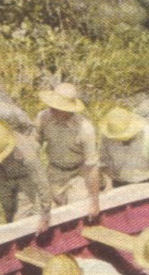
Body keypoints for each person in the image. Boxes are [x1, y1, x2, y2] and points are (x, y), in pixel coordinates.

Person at [34, 83, 101, 219]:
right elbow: (34, 147)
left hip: (78, 175)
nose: (52, 109)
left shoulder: (85, 129)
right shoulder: (43, 118)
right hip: (53, 171)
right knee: (45, 214)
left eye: (57, 107)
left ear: (69, 109)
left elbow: (91, 167)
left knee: (77, 213)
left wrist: (94, 201)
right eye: (51, 105)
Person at [0, 119, 52, 234]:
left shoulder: (25, 150)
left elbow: (41, 180)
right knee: (9, 212)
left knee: (21, 216)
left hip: (24, 177)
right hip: (1, 173)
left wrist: (46, 213)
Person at [99, 107, 149, 198]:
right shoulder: (107, 136)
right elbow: (103, 162)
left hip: (148, 182)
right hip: (119, 184)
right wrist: (108, 185)